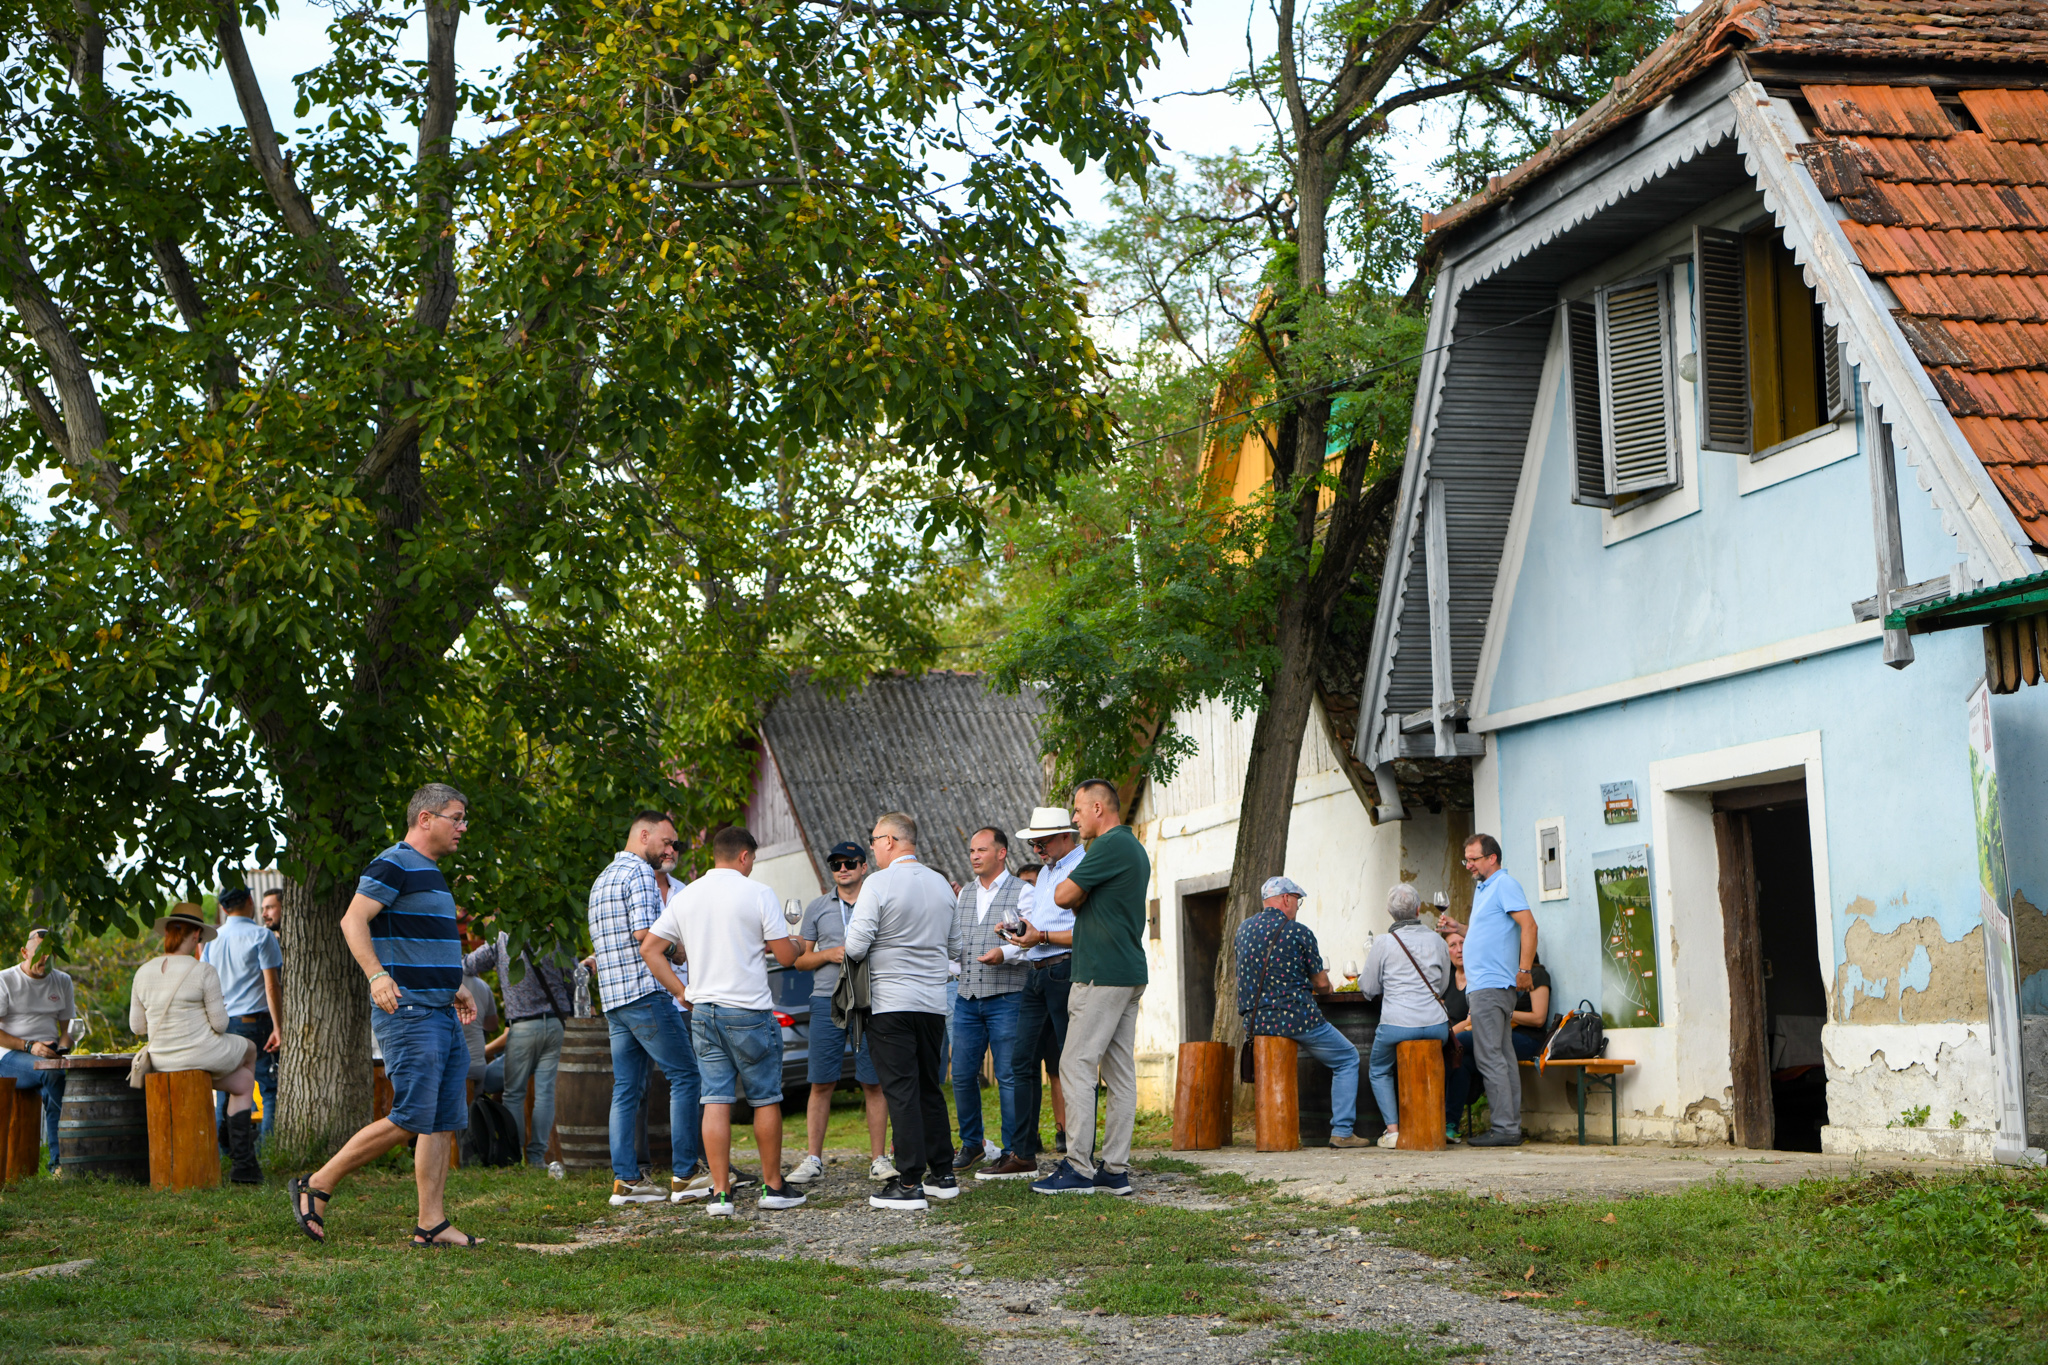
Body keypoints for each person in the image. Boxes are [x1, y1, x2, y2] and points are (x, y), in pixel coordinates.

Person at [290, 783, 483, 1247]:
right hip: (409, 1012)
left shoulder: (431, 872)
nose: (462, 827)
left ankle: (431, 1223)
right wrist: (376, 976)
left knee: (440, 1119)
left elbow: (418, 942)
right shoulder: (394, 862)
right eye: (455, 817)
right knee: (411, 1117)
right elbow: (353, 920)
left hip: (437, 1009)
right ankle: (316, 1183)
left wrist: (452, 984)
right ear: (425, 819)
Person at [639, 825, 807, 1217]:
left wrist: (681, 992)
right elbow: (785, 958)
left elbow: (651, 948)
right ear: (745, 856)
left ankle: (719, 1194)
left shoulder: (687, 895)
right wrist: (796, 942)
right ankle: (773, 1187)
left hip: (704, 1011)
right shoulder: (758, 893)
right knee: (765, 1097)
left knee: (714, 1099)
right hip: (748, 1011)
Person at [588, 810, 710, 1206]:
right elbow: (645, 936)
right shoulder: (639, 873)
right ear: (643, 835)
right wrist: (678, 954)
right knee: (686, 1076)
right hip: (645, 994)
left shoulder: (602, 879)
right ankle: (687, 1173)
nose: (670, 849)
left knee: (626, 1090)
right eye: (667, 841)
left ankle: (627, 1182)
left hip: (614, 1000)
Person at [1033, 779, 1149, 1197]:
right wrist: (1083, 896)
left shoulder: (1107, 846)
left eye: (1079, 810)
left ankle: (1078, 1167)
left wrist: (1079, 895)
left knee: (1076, 1064)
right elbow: (1079, 897)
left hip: (1101, 972)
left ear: (1099, 808)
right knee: (1119, 1072)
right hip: (1129, 970)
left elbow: (1064, 895)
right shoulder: (1133, 846)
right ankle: (1114, 1169)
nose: (1076, 818)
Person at [845, 811, 958, 1211]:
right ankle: (942, 1173)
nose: (872, 846)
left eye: (874, 839)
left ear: (891, 840)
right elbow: (956, 950)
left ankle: (909, 1182)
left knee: (901, 1091)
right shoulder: (942, 884)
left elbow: (855, 947)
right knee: (929, 1087)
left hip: (890, 1002)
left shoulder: (877, 883)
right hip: (931, 1003)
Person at [978, 807, 1085, 1180]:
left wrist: (1035, 935)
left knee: (1070, 1065)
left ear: (1064, 836)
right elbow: (1039, 926)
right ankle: (1023, 1153)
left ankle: (1078, 1155)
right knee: (1020, 1062)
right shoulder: (1044, 874)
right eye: (1033, 842)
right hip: (1037, 971)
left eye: (1042, 841)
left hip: (1066, 967)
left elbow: (1083, 928)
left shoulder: (1082, 864)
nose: (1037, 848)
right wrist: (1018, 930)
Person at [1233, 876, 1370, 1149]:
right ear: (1286, 899)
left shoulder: (1243, 930)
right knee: (1347, 1058)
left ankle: (1274, 1133)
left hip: (1255, 1022)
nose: (1297, 907)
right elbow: (1321, 984)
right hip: (1295, 1018)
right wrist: (1325, 987)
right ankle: (1342, 1132)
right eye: (1297, 900)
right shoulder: (1298, 931)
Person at [132, 906, 263, 1183]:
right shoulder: (203, 970)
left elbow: (137, 1028)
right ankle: (242, 1163)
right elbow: (220, 1026)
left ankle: (236, 1147)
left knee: (241, 1083)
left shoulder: (143, 972)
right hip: (202, 1054)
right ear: (194, 936)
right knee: (249, 1052)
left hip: (161, 1059)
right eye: (199, 937)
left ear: (168, 934)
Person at [788, 840, 892, 1186]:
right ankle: (813, 1158)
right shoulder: (818, 907)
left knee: (873, 1082)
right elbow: (799, 960)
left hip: (870, 998)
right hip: (826, 1000)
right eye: (836, 864)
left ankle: (879, 1158)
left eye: (850, 862)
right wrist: (829, 954)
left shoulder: (879, 900)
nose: (843, 869)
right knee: (821, 1081)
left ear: (865, 867)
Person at [462, 921, 577, 1170]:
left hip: (522, 1026)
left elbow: (469, 965)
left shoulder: (503, 937)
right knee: (546, 1093)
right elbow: (573, 981)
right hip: (557, 1023)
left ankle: (514, 1158)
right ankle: (537, 1158)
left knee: (514, 1093)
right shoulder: (558, 935)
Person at [948, 827, 1029, 1174]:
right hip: (966, 996)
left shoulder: (1023, 891)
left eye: (982, 850)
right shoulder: (964, 893)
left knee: (1009, 1075)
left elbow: (1032, 940)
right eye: (971, 851)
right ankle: (972, 1144)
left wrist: (1005, 954)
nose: (974, 856)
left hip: (1007, 996)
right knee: (962, 1075)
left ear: (1001, 853)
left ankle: (1013, 1151)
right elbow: (954, 942)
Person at [1358, 883, 1454, 1148]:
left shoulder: (1383, 942)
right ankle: (1435, 1123)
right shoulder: (1437, 940)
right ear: (1419, 909)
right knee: (1435, 1063)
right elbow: (1443, 984)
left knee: (1379, 1069)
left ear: (1390, 912)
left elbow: (1368, 988)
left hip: (1396, 1024)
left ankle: (1393, 1131)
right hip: (1436, 1025)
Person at [1461, 833, 1538, 1148]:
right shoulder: (1485, 888)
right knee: (1502, 1056)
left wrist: (1524, 969)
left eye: (1473, 859)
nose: (1469, 866)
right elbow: (1491, 931)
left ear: (1492, 858)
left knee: (1490, 1057)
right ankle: (1509, 1126)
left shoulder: (1504, 884)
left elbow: (1529, 925)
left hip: (1492, 986)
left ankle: (1505, 1128)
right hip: (1488, 986)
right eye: (1466, 860)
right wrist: (1459, 929)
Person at [202, 886, 283, 1152]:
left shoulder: (211, 940)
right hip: (254, 1023)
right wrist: (278, 1026)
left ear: (224, 909)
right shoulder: (261, 936)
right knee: (268, 1088)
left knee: (225, 1093)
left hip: (222, 1024)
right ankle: (267, 1152)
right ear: (250, 900)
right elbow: (271, 986)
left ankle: (224, 1154)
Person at [0, 928, 74, 1176]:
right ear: (24, 952)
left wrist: (64, 1048)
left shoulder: (62, 980)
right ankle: (69, 1157)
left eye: (50, 955)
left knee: (61, 1078)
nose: (44, 960)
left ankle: (59, 1167)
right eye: (39, 954)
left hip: (48, 1054)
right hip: (9, 1055)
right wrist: (30, 1046)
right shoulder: (5, 979)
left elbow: (67, 1029)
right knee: (53, 1077)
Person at [1443, 930, 1476, 1142]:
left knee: (1454, 1050)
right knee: (1463, 1064)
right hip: (1456, 1045)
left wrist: (1446, 1035)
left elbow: (1472, 1020)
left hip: (1471, 1037)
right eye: (1453, 945)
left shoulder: (1477, 975)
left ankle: (1449, 1122)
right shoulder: (1445, 979)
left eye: (1463, 942)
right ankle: (1447, 1123)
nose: (1460, 949)